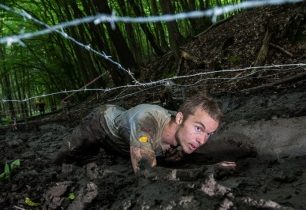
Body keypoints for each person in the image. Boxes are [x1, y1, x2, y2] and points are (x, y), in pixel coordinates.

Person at [54, 93, 235, 176]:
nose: (202, 140)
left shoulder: (182, 122)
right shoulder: (147, 120)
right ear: (179, 119)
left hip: (128, 138)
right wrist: (207, 170)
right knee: (63, 160)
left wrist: (177, 149)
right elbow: (146, 173)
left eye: (209, 134)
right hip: (99, 123)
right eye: (198, 129)